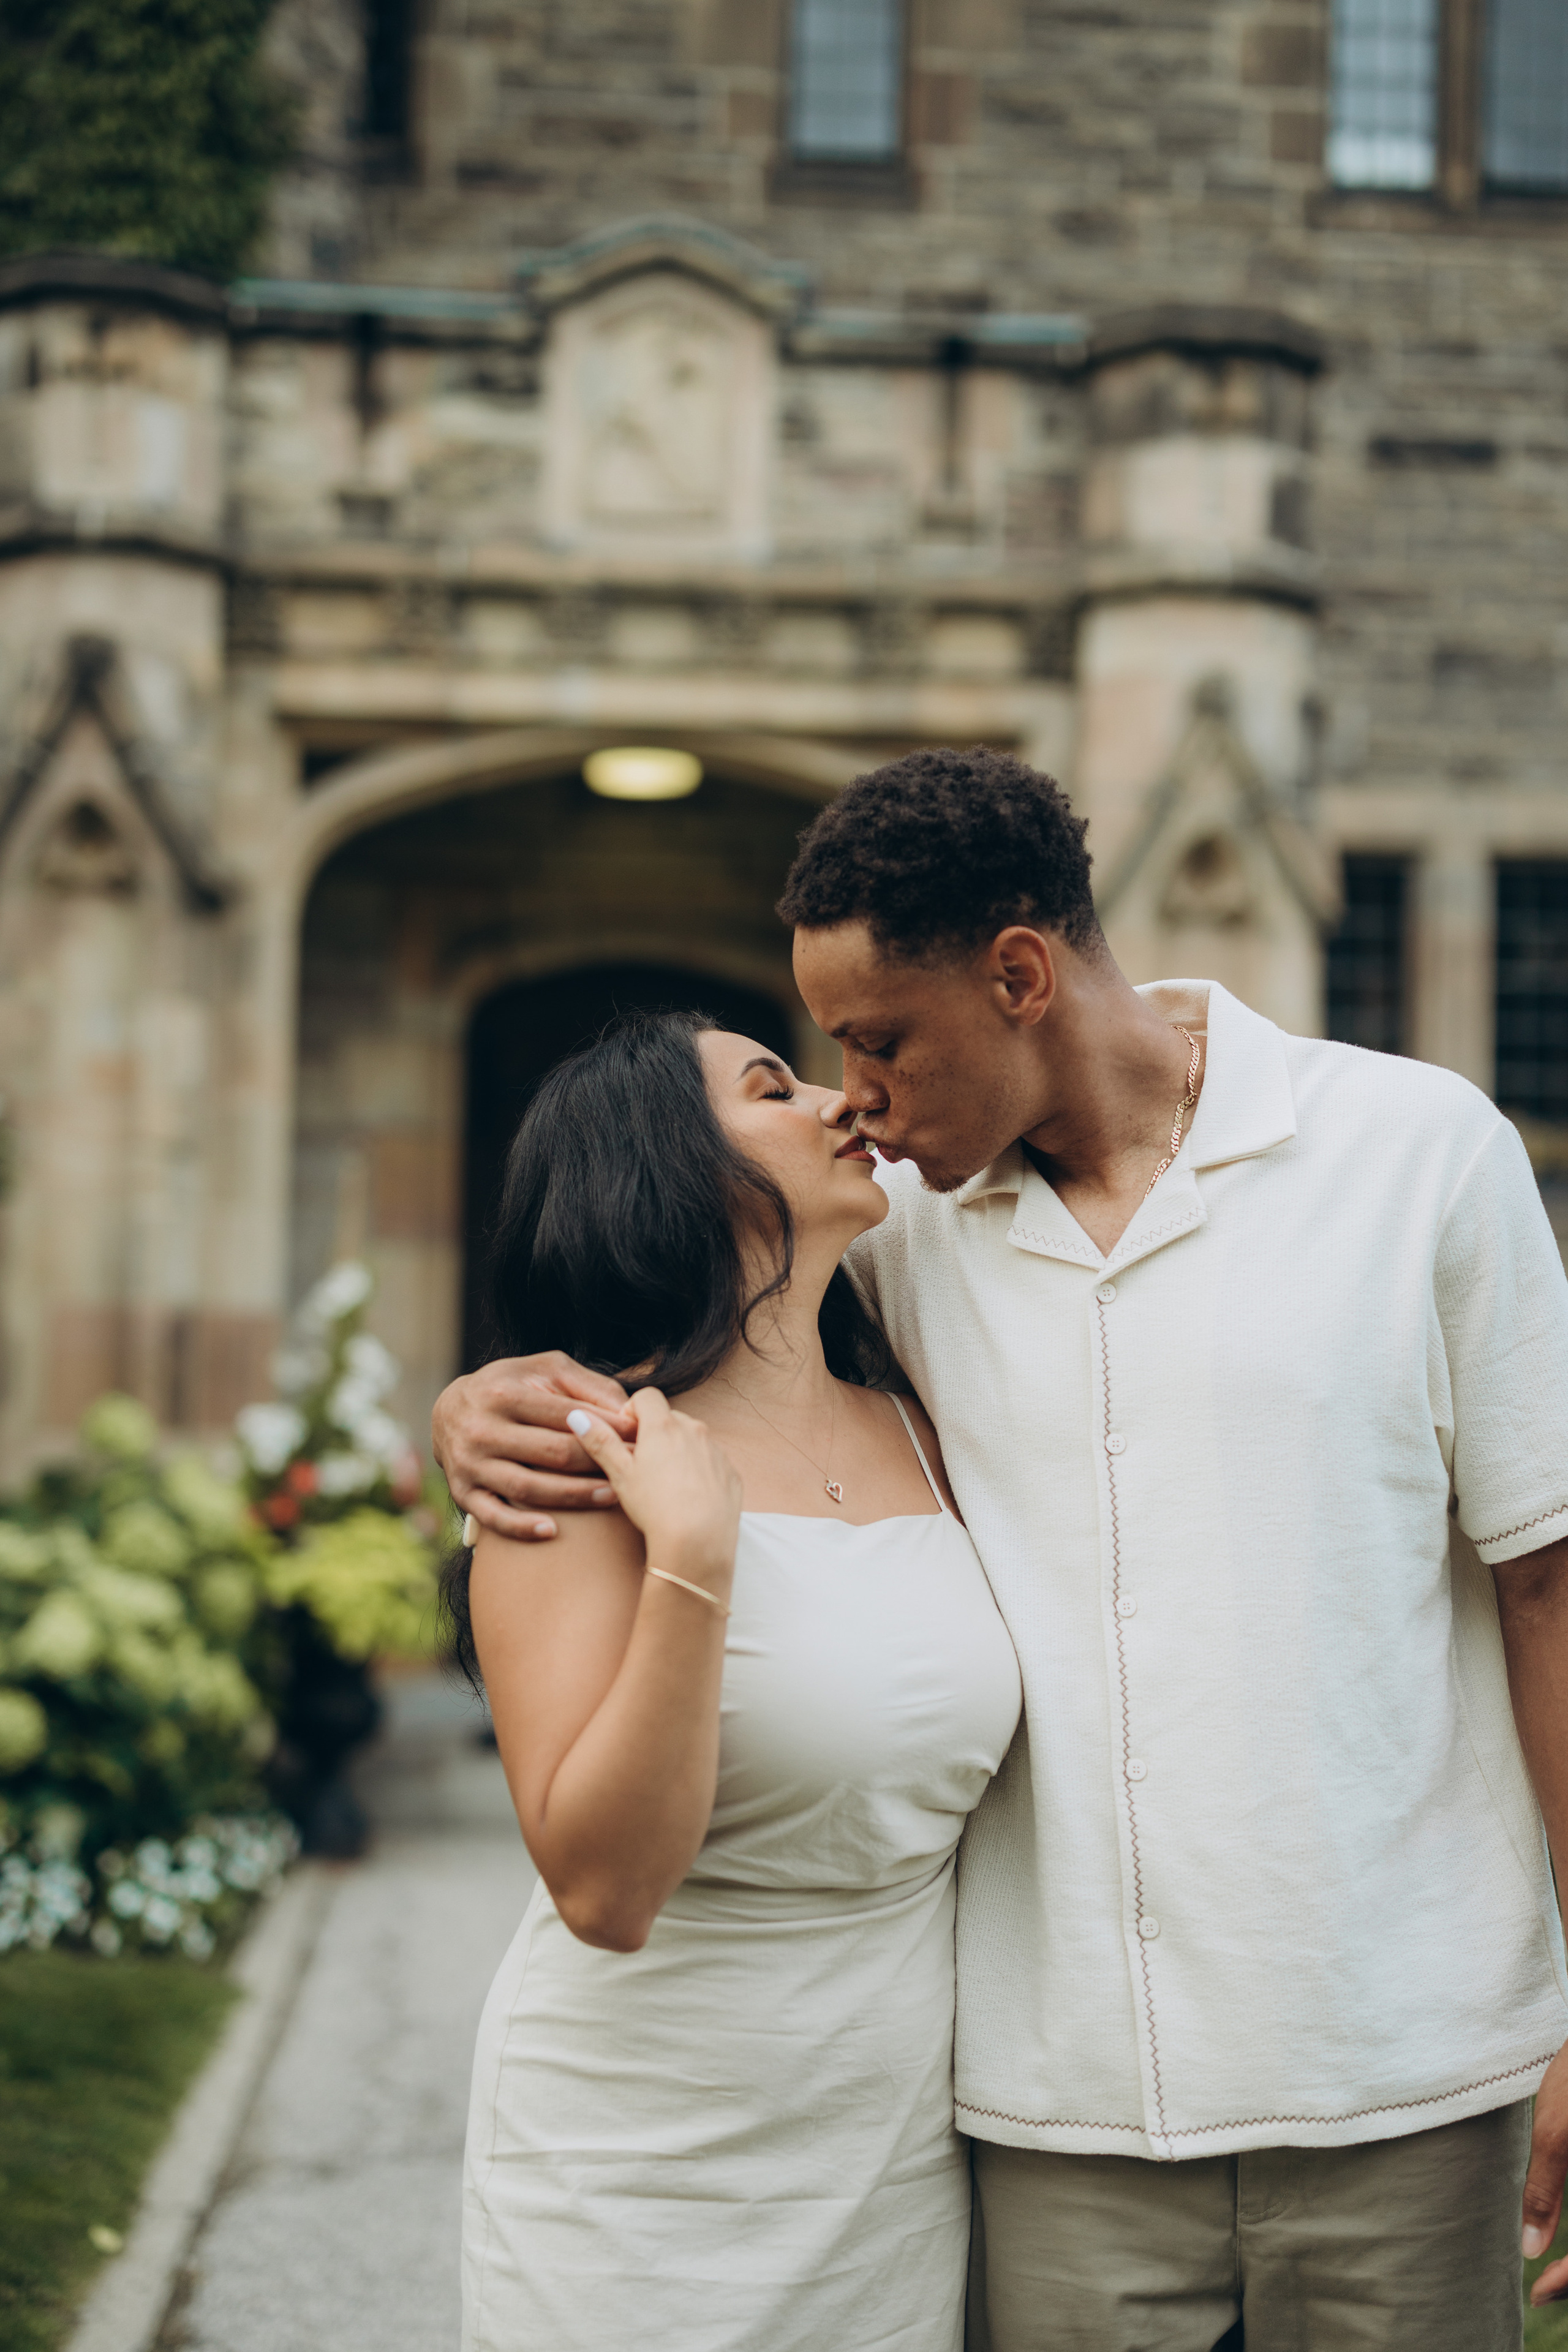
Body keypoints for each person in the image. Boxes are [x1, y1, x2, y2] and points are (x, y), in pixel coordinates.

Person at [437, 745, 1568, 2352]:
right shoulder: (893, 1233)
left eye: (878, 1042)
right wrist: (487, 1402)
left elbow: (1546, 1586)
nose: (854, 1098)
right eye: (822, 1061)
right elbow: (692, 1316)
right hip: (1048, 2103)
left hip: (1400, 2064)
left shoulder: (1416, 1152)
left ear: (1020, 977)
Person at [447, 1007, 1021, 2352]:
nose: (838, 1101)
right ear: (671, 1173)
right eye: (773, 1089)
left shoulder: (930, 1427)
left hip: (887, 2172)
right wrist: (694, 1562)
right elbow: (604, 1891)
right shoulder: (578, 1466)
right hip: (639, 2179)